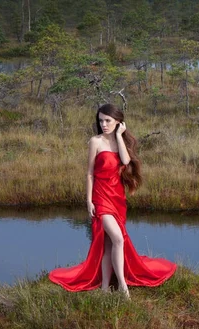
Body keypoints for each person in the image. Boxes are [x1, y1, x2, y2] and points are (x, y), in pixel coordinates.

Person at [49, 104, 176, 298]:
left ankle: (105, 286)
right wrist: (89, 201)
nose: (104, 124)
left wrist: (118, 136)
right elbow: (90, 173)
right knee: (118, 238)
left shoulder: (120, 142)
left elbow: (125, 162)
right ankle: (123, 287)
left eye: (108, 120)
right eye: (101, 120)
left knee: (109, 244)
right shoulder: (95, 141)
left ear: (118, 121)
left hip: (117, 198)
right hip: (100, 198)